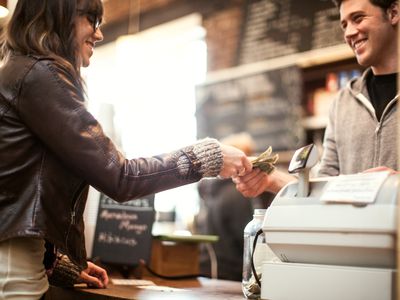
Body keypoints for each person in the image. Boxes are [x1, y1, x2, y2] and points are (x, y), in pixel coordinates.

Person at [0, 0, 253, 298]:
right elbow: (121, 177)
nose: (98, 34)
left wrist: (53, 262)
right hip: (11, 272)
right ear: (60, 13)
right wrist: (206, 157)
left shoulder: (21, 71)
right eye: (90, 19)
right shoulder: (40, 75)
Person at [235, 0, 399, 197]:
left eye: (358, 18)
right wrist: (271, 179)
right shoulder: (343, 102)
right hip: (352, 228)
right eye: (344, 25)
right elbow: (324, 186)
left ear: (393, 13)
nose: (349, 33)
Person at [195, 133, 273, 281]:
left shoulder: (212, 190)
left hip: (209, 271)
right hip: (231, 275)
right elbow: (249, 241)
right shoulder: (239, 193)